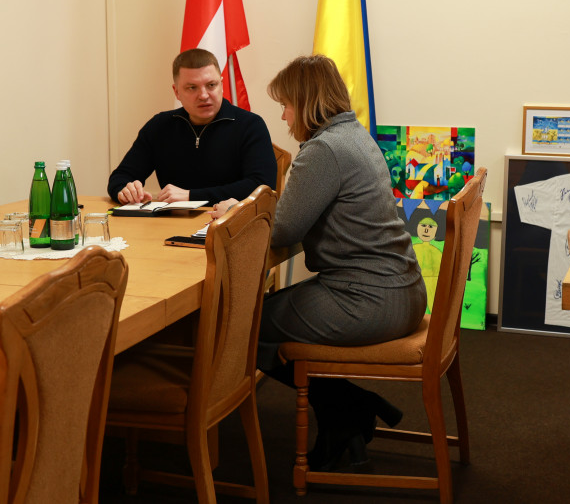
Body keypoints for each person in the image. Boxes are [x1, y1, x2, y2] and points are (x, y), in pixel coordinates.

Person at [210, 54, 426, 471]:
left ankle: (347, 410)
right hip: (402, 291)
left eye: (286, 105)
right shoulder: (354, 135)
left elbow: (281, 231)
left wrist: (235, 212)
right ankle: (347, 413)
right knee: (262, 316)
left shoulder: (324, 149)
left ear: (306, 102)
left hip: (368, 301)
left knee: (240, 324)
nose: (284, 117)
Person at [107, 48, 277, 204]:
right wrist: (125, 191)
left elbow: (262, 185)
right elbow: (121, 177)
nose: (203, 95)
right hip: (173, 223)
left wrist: (191, 196)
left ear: (221, 85)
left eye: (211, 85)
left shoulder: (250, 125)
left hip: (230, 223)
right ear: (176, 92)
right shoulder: (160, 126)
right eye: (192, 88)